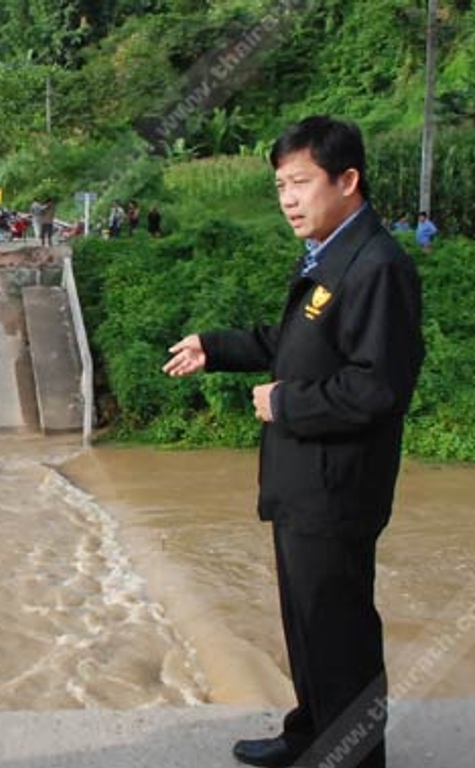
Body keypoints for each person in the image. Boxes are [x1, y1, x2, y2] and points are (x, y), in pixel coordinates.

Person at [163, 116, 424, 768]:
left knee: (340, 634)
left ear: (348, 180)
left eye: (300, 182)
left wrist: (285, 401)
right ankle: (310, 732)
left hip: (337, 487)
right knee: (307, 624)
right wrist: (214, 348)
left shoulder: (377, 267)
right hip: (304, 482)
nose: (287, 198)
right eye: (281, 184)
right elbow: (293, 343)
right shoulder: (332, 257)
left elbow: (378, 388)